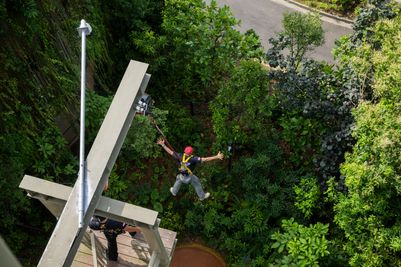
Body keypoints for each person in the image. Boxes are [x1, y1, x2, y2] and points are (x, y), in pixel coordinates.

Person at [157, 138, 224, 200]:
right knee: (197, 182)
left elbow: (170, 152)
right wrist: (216, 156)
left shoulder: (180, 156)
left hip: (182, 176)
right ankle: (202, 196)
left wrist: (163, 145)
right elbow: (205, 159)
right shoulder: (193, 159)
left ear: (184, 151)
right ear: (191, 153)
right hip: (189, 177)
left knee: (178, 178)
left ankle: (174, 191)